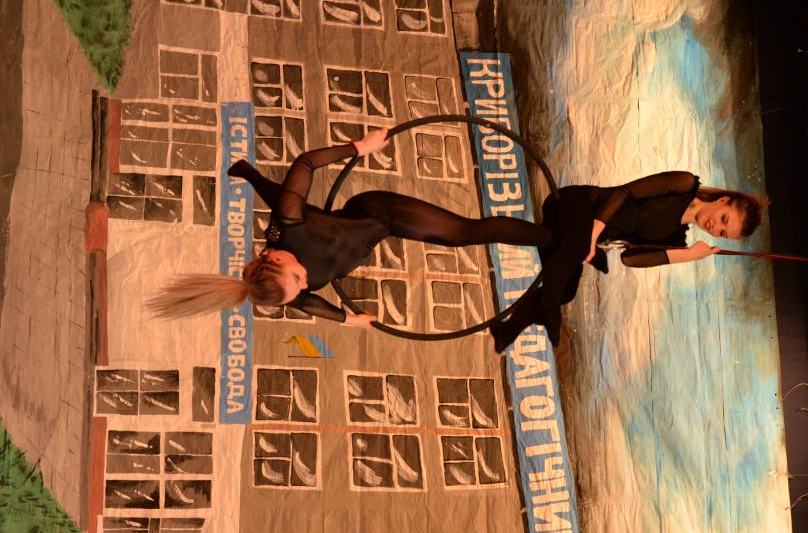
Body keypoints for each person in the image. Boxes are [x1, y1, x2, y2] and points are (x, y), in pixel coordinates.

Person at [147, 129, 554, 324]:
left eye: (299, 279)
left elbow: (305, 162)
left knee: (466, 233)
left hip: (375, 214)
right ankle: (250, 174)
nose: (307, 284)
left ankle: (552, 237)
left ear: (277, 259)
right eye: (300, 289)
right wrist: (348, 319)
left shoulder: (285, 228)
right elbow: (309, 304)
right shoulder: (290, 292)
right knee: (294, 207)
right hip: (357, 235)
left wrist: (359, 148)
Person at [487, 170, 767, 352]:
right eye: (723, 219)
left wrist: (687, 255)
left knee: (567, 291)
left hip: (577, 240)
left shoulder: (676, 239)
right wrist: (594, 233)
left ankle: (506, 332)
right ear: (723, 201)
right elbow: (625, 192)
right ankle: (548, 307)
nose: (715, 227)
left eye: (722, 233)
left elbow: (629, 259)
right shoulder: (684, 184)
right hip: (578, 204)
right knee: (572, 251)